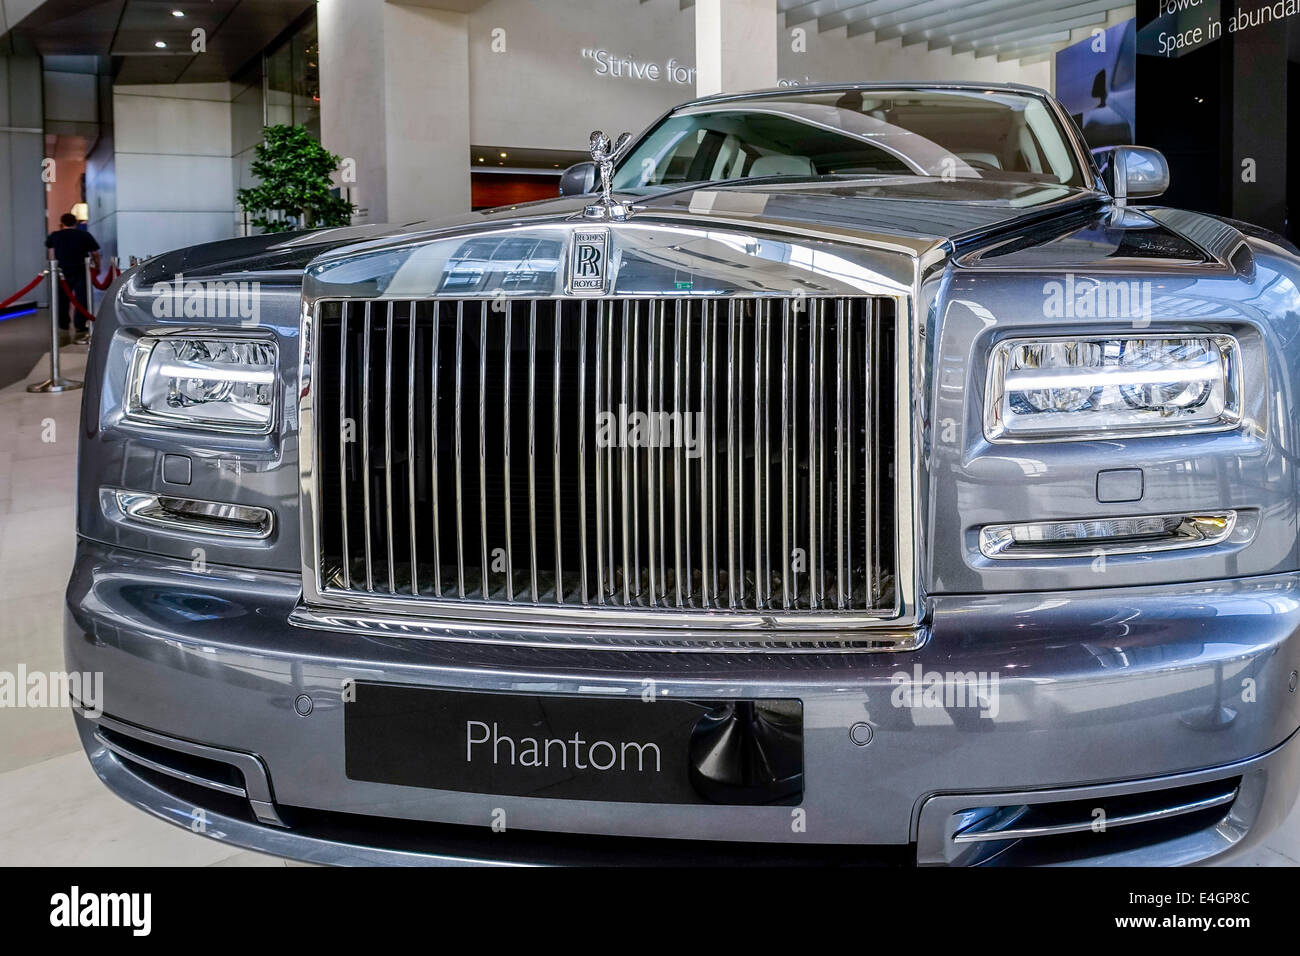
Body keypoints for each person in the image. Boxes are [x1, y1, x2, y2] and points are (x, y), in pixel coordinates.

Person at [45, 212, 100, 345]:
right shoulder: (84, 235)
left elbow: (51, 252)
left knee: (62, 299)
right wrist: (97, 267)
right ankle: (80, 325)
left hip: (61, 270)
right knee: (81, 298)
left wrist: (53, 266)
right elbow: (95, 253)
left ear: (62, 223)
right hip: (80, 269)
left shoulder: (55, 236)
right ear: (75, 223)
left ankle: (63, 324)